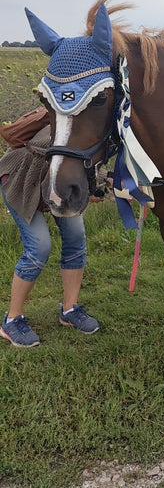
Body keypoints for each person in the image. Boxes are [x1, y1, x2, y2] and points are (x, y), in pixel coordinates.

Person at [0, 121, 104, 347]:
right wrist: (89, 186)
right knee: (39, 246)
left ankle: (69, 309)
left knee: (76, 239)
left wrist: (107, 182)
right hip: (22, 180)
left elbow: (87, 162)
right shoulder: (64, 124)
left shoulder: (97, 127)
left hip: (58, 184)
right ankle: (11, 320)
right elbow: (62, 158)